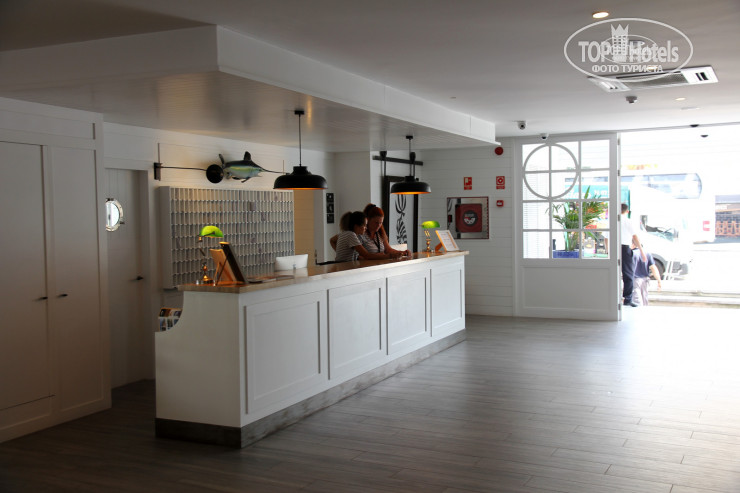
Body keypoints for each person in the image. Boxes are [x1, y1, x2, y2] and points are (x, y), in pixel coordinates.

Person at [620, 203, 646, 307]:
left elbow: (606, 238)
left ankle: (615, 298)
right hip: (625, 248)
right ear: (627, 211)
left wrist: (608, 251)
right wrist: (641, 251)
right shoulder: (627, 221)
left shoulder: (612, 221)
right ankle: (627, 299)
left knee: (614, 273)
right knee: (628, 274)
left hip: (614, 248)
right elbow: (635, 237)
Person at [632, 239, 662, 306]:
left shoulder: (632, 253)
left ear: (633, 244)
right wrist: (659, 280)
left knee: (636, 300)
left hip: (635, 280)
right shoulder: (647, 253)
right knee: (644, 300)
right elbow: (653, 268)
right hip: (645, 280)